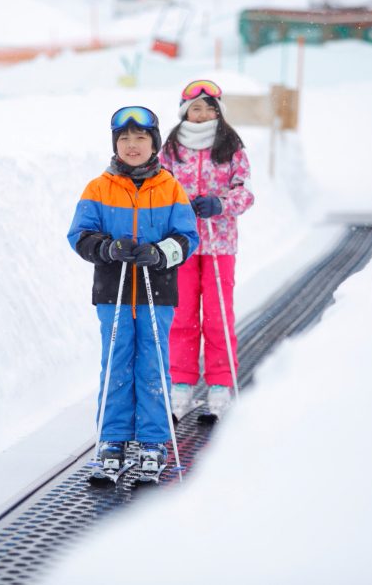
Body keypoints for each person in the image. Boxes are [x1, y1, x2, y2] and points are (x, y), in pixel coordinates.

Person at [67, 105, 199, 474]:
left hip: (157, 293)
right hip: (114, 292)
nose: (132, 144)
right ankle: (113, 437)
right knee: (117, 364)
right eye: (124, 138)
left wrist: (160, 253)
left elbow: (188, 237)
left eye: (140, 137)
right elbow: (79, 234)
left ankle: (153, 439)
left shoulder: (171, 188)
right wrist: (106, 248)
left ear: (154, 143)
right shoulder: (98, 188)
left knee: (153, 366)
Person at [160, 79, 255, 420]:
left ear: (218, 112)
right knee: (182, 315)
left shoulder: (230, 147)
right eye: (195, 108)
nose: (202, 115)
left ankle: (220, 384)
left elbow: (245, 193)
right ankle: (181, 384)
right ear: (185, 112)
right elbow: (159, 189)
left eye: (209, 108)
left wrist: (221, 203)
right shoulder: (170, 150)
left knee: (217, 315)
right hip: (181, 244)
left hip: (219, 243)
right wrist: (178, 205)